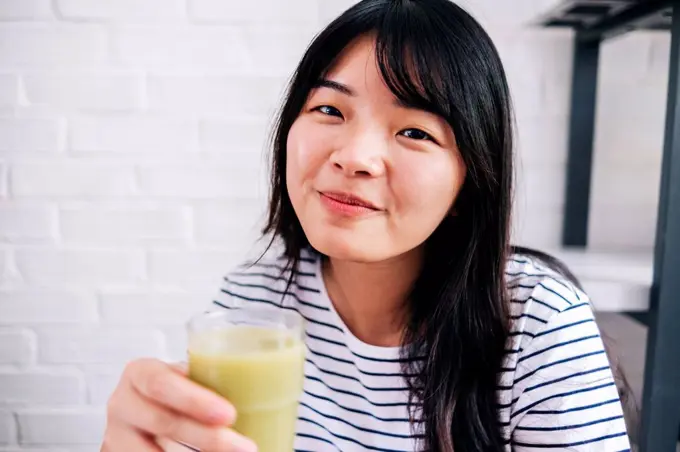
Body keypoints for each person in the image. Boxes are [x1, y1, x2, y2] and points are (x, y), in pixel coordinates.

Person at [101, 0, 631, 450]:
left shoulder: (537, 320)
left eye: (415, 132)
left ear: (468, 182)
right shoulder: (257, 302)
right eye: (330, 110)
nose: (355, 157)